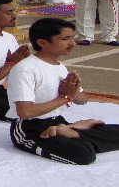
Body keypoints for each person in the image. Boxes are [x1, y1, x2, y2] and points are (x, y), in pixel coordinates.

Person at [7, 18, 119, 165]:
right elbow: (25, 112)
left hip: (58, 123)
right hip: (31, 130)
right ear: (42, 43)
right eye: (66, 39)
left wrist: (74, 88)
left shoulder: (60, 66)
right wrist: (65, 97)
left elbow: (83, 99)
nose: (72, 43)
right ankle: (75, 132)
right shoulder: (26, 69)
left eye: (72, 38)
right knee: (84, 154)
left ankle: (71, 130)